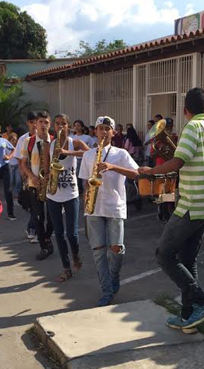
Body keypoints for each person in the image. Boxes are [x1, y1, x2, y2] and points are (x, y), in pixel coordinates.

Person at [139, 88, 204, 330]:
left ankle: (203, 301)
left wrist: (149, 171)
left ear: (185, 110)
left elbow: (178, 161)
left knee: (163, 254)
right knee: (188, 258)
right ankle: (188, 316)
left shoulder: (191, 128)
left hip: (192, 202)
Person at [79, 116, 139, 306]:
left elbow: (137, 174)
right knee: (98, 252)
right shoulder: (88, 155)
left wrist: (113, 167)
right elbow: (84, 181)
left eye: (107, 129)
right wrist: (86, 195)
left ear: (113, 132)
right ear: (95, 132)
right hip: (94, 208)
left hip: (115, 206)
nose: (104, 132)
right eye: (100, 128)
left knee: (116, 249)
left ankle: (113, 278)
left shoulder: (120, 154)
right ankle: (107, 291)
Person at [44, 114, 89, 282]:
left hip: (71, 193)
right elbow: (46, 166)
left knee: (71, 234)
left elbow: (90, 152)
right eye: (57, 123)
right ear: (53, 126)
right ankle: (66, 268)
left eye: (63, 123)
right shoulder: (49, 144)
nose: (60, 126)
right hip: (53, 193)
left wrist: (67, 152)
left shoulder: (73, 142)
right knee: (59, 233)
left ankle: (76, 256)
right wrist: (47, 175)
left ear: (68, 126)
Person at [20, 111, 55, 260]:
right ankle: (44, 246)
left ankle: (47, 238)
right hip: (35, 184)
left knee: (53, 217)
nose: (43, 125)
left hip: (51, 185)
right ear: (36, 123)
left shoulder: (54, 141)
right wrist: (32, 177)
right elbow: (23, 163)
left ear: (50, 124)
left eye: (46, 122)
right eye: (40, 122)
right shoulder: (29, 141)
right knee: (38, 217)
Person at [16, 112, 38, 241]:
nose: (34, 125)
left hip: (41, 175)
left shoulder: (45, 137)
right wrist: (23, 173)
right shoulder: (23, 139)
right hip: (29, 176)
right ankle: (33, 228)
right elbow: (19, 159)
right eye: (31, 122)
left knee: (39, 205)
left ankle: (35, 228)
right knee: (33, 204)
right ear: (27, 123)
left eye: (37, 121)